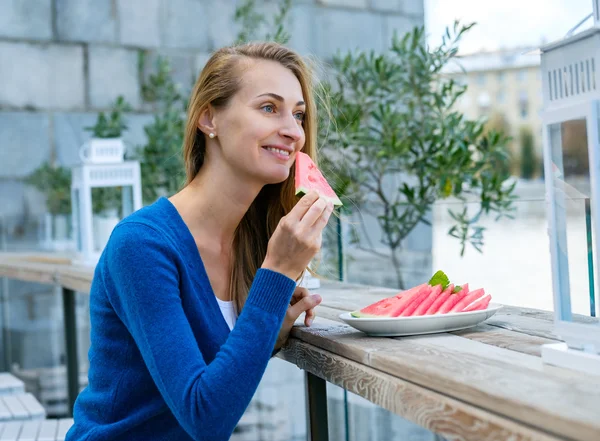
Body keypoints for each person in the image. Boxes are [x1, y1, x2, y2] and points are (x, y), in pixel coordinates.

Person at [65, 41, 334, 441]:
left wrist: (270, 329)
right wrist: (277, 272)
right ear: (209, 118)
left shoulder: (248, 243)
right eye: (268, 108)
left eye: (298, 114)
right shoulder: (141, 245)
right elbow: (204, 417)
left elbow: (214, 375)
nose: (293, 131)